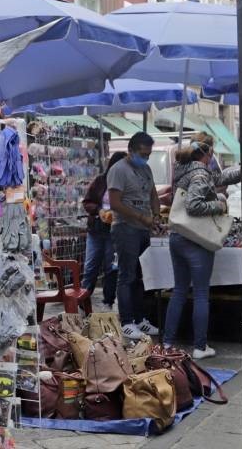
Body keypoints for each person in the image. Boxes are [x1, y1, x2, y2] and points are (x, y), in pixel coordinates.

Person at [163, 133, 241, 359]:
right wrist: (219, 203)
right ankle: (200, 347)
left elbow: (219, 177)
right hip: (196, 239)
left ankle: (167, 343)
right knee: (200, 294)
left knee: (178, 291)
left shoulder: (183, 168)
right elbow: (194, 205)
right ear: (208, 151)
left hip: (177, 236)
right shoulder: (199, 173)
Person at [108, 132, 162, 341]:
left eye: (148, 155)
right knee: (127, 275)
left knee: (141, 276)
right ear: (131, 150)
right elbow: (115, 203)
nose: (145, 158)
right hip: (125, 228)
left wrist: (155, 216)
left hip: (143, 229)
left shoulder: (146, 169)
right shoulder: (119, 170)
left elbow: (153, 195)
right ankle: (127, 322)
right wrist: (141, 217)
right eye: (142, 154)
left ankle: (140, 319)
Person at [81, 151, 127, 309]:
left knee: (111, 267)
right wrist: (99, 210)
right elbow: (87, 202)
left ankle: (108, 300)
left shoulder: (127, 183)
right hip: (96, 229)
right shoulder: (101, 180)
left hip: (115, 231)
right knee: (90, 266)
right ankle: (83, 299)